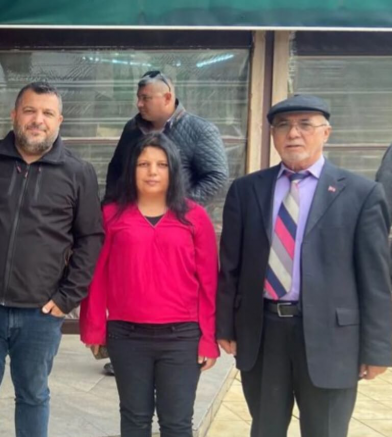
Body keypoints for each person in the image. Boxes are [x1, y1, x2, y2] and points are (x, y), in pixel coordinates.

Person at [216, 95, 392, 437]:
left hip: (333, 340)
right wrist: (226, 325)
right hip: (263, 333)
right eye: (283, 125)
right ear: (273, 135)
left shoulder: (361, 194)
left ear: (326, 132)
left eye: (305, 125)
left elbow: (376, 280)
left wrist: (378, 348)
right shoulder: (246, 190)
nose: (293, 133)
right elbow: (231, 266)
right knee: (265, 429)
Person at [0, 81, 104, 437]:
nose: (38, 120)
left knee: (33, 395)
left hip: (41, 312)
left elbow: (91, 238)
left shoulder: (78, 172)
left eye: (47, 113)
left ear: (59, 120)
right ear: (14, 114)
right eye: (30, 110)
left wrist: (67, 297)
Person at [80, 133, 219, 437]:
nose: (152, 171)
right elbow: (97, 277)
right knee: (134, 419)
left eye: (161, 164)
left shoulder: (195, 217)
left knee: (177, 423)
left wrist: (209, 338)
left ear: (174, 170)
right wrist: (94, 327)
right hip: (127, 336)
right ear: (131, 169)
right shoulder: (111, 216)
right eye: (143, 164)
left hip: (182, 337)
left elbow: (209, 283)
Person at [104, 70, 228, 205]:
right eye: (138, 98)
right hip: (133, 214)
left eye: (145, 98)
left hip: (179, 215)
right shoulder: (132, 128)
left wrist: (182, 208)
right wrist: (112, 206)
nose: (139, 104)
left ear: (167, 98)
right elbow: (115, 170)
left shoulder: (201, 130)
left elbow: (217, 178)